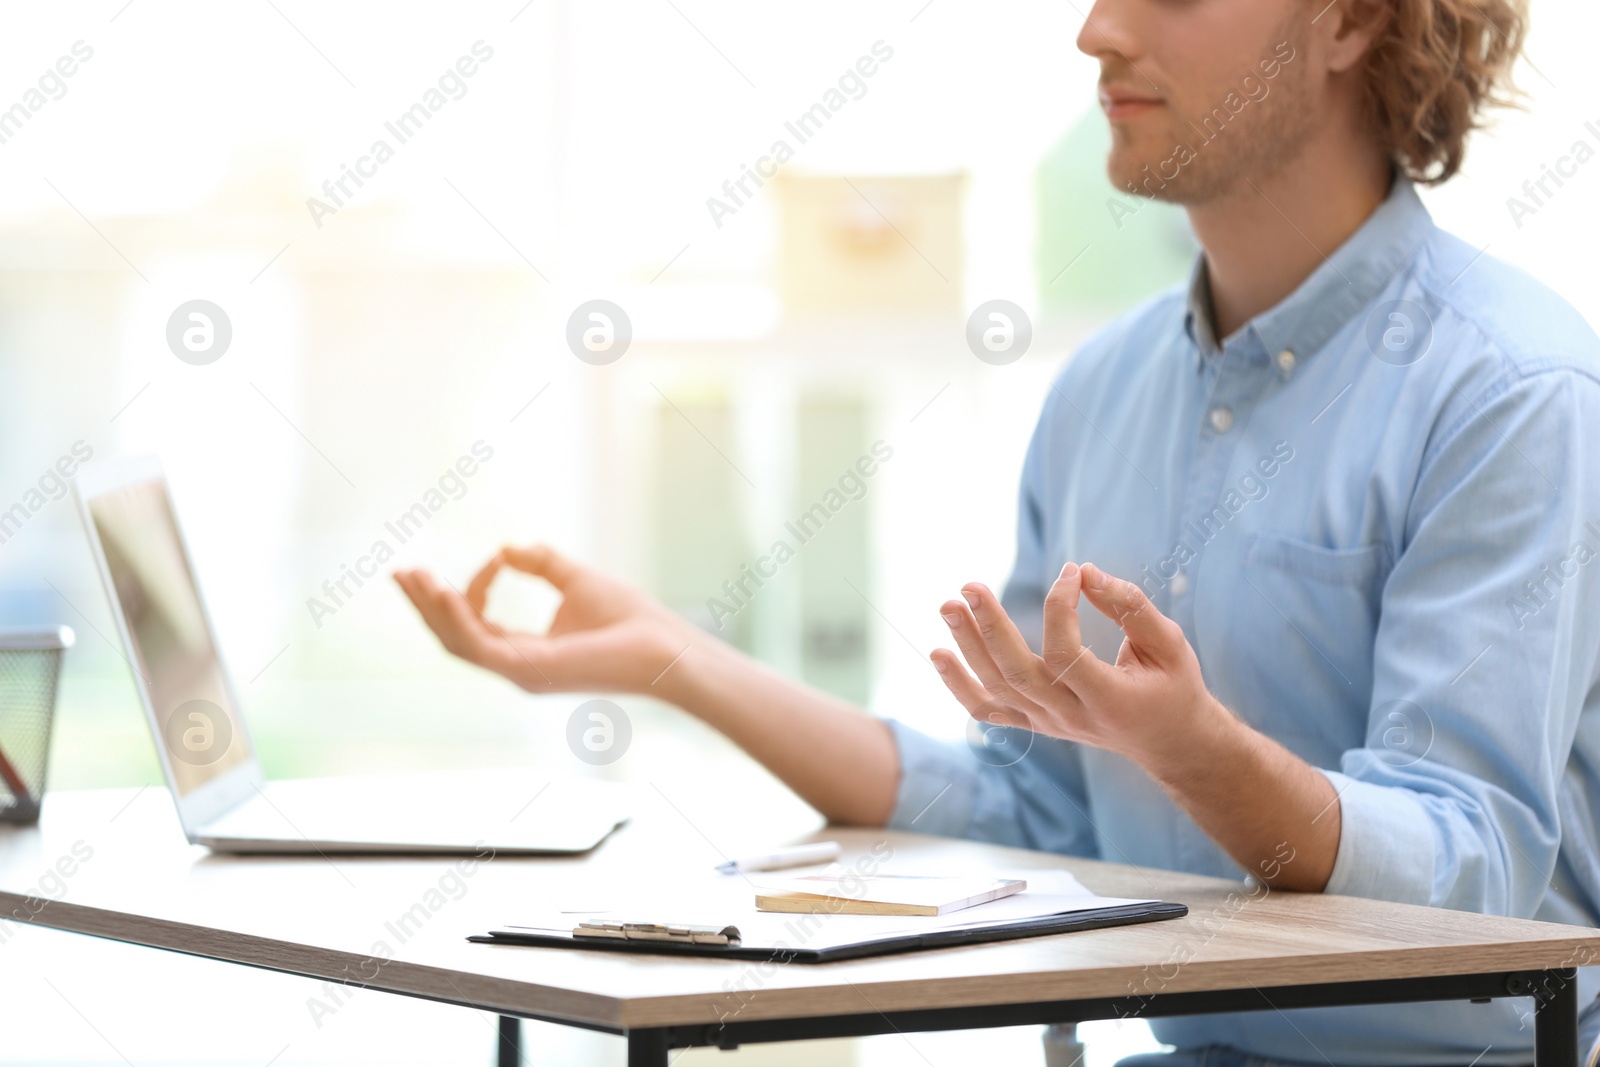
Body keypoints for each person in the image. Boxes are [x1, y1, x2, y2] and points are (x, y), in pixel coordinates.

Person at [395, 0, 1600, 1061]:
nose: (1096, 29)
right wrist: (677, 659)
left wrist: (1191, 750)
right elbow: (1035, 808)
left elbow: (1466, 876)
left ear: (1349, 21)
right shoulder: (1101, 395)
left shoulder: (1511, 395)